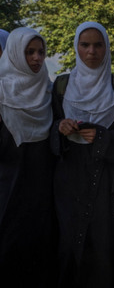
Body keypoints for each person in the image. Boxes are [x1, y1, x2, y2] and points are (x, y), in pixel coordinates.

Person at [51, 21, 114, 287]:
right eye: (84, 45)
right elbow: (49, 129)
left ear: (107, 48)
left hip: (106, 178)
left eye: (98, 45)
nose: (91, 51)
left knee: (104, 243)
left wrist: (102, 137)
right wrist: (60, 127)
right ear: (76, 47)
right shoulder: (61, 86)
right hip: (69, 178)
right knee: (69, 242)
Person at [0, 27, 57, 287]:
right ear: (14, 54)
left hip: (42, 199)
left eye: (40, 52)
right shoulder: (2, 92)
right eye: (29, 52)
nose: (36, 58)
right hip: (7, 196)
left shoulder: (49, 91)